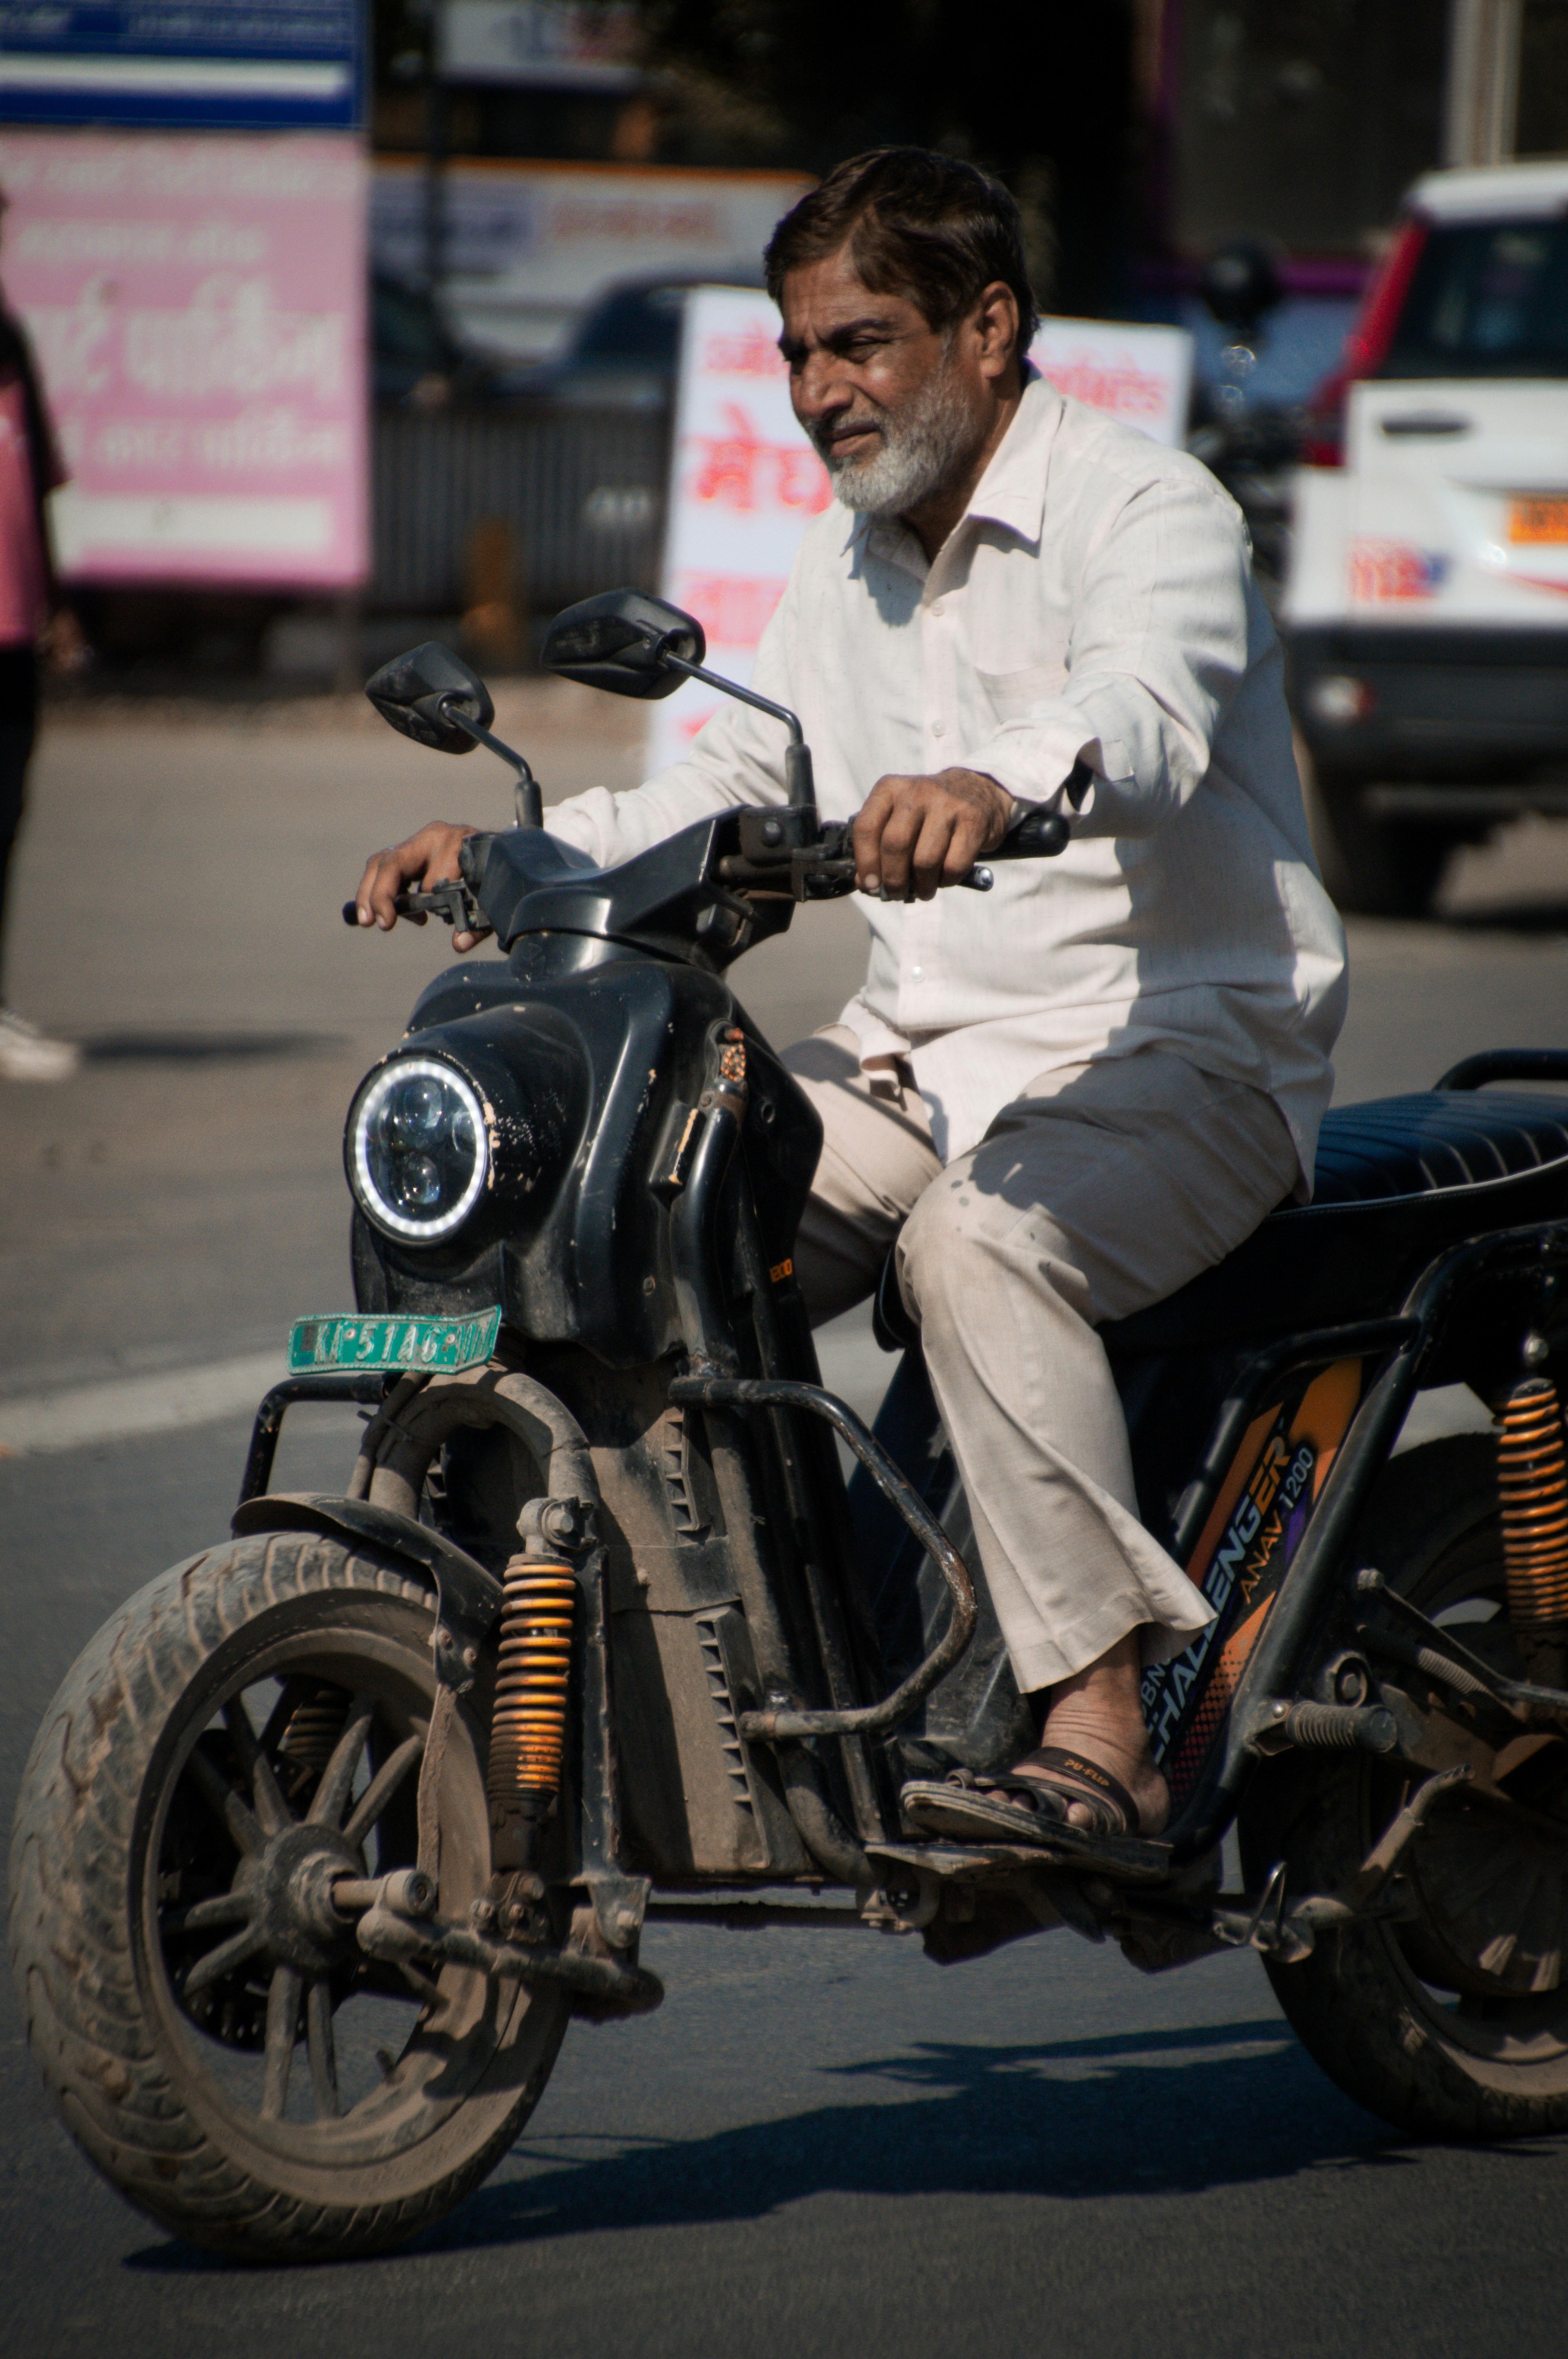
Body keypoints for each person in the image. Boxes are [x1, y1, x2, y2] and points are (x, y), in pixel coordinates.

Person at [353, 149, 1348, 1848]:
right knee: (651, 1221)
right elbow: (730, 774)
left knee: (981, 1242)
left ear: (988, 327)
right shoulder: (850, 564)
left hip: (1182, 1054)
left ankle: (1100, 1719)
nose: (822, 391)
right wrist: (513, 850)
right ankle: (779, 1665)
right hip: (922, 1068)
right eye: (800, 353)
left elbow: (1146, 709)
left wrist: (991, 775)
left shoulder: (1144, 506)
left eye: (863, 344)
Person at [0, 195, 82, 1084]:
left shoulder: (11, 342)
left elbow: (34, 486)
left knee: (6, 817)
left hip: (14, 624)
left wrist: (57, 602)